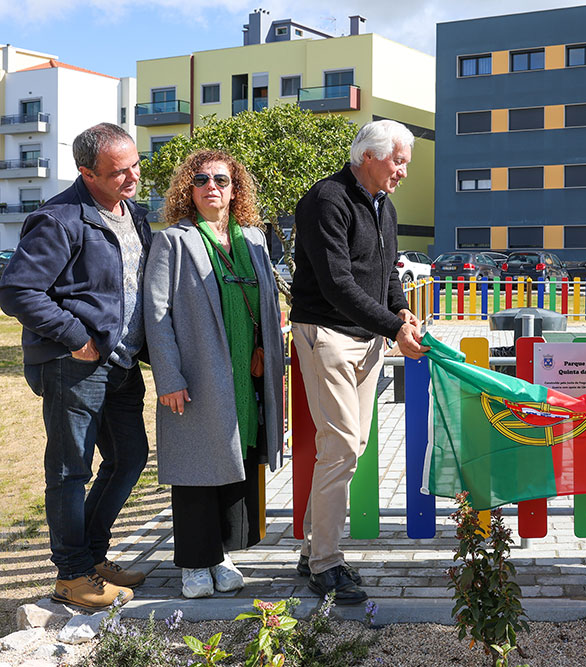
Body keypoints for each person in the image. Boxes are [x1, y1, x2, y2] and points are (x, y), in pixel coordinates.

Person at [0, 123, 150, 608]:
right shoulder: (58, 218)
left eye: (135, 165)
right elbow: (17, 291)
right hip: (75, 364)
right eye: (118, 172)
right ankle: (71, 575)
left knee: (129, 458)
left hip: (122, 363)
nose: (132, 177)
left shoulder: (135, 215)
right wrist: (76, 337)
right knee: (70, 471)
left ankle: (92, 557)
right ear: (87, 173)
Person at [291, 119, 427, 604]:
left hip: (367, 339)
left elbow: (386, 273)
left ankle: (314, 550)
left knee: (349, 445)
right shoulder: (327, 200)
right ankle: (325, 564)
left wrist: (400, 310)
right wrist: (393, 328)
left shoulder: (383, 204)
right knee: (343, 445)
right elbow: (337, 284)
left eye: (406, 163)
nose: (403, 172)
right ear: (368, 156)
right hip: (326, 334)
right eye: (398, 161)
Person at [143, 150, 284, 598]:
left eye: (221, 180)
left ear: (234, 188)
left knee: (236, 461)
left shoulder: (254, 240)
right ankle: (193, 564)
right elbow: (157, 315)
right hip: (197, 375)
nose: (211, 187)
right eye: (201, 179)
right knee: (195, 469)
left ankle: (221, 554)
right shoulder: (173, 241)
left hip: (247, 374)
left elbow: (268, 305)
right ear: (189, 189)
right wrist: (168, 377)